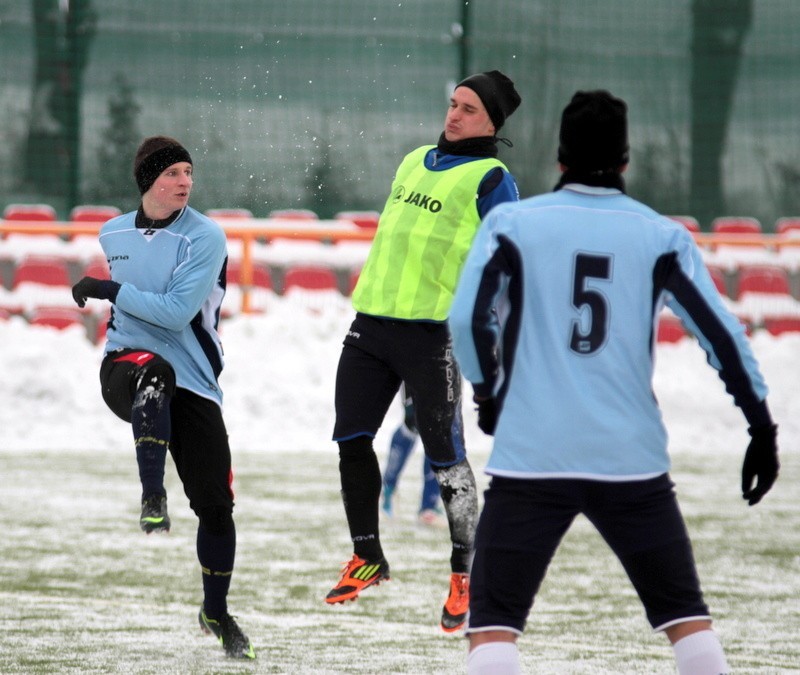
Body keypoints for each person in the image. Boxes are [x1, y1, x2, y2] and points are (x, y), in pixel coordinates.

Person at [449, 90, 780, 674]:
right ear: (625, 160)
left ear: (560, 158)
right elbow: (720, 335)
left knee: (492, 631)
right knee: (687, 620)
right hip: (630, 459)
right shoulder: (660, 235)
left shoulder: (513, 223)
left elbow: (467, 318)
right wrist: (760, 425)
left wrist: (489, 396)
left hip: (533, 455)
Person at [325, 70, 522, 633]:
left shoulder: (492, 177)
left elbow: (513, 258)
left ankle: (464, 575)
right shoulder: (414, 160)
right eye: (452, 104)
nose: (453, 115)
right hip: (371, 325)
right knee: (350, 440)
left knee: (446, 458)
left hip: (433, 336)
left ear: (491, 122)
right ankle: (367, 556)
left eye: (468, 109)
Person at [71, 136, 255, 660]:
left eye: (189, 173)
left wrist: (108, 291)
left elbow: (175, 313)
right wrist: (116, 301)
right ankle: (153, 497)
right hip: (126, 366)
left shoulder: (205, 237)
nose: (185, 182)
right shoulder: (114, 233)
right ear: (149, 178)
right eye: (173, 172)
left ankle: (215, 612)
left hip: (195, 381)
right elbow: (139, 316)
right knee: (154, 371)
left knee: (218, 509)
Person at [381, 386, 445, 528]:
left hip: (445, 368)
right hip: (413, 367)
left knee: (440, 426)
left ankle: (429, 506)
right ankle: (388, 489)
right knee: (413, 422)